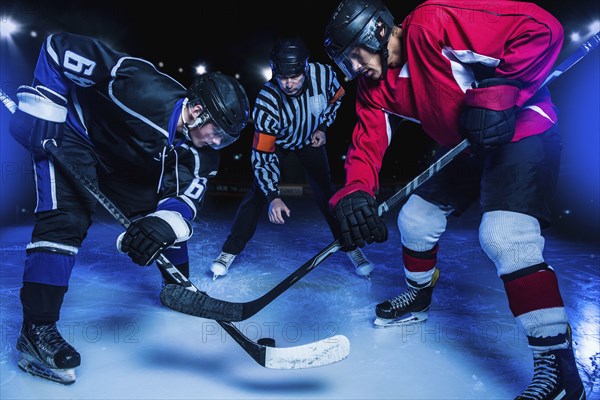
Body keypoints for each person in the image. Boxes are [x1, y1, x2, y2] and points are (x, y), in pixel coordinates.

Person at [323, 1, 586, 399]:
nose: (352, 67)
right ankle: (420, 295)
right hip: (466, 145)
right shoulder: (373, 88)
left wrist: (504, 86)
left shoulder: (433, 23)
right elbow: (366, 144)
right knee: (415, 218)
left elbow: (541, 29)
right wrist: (356, 190)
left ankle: (560, 372)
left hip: (522, 130)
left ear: (376, 32)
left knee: (505, 235)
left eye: (352, 55)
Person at [8, 32, 249, 385]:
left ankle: (178, 285)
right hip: (76, 136)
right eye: (218, 132)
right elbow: (59, 48)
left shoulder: (202, 152)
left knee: (160, 221)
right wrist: (48, 101)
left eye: (226, 139)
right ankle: (37, 329)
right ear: (197, 111)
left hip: (125, 164)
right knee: (66, 220)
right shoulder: (139, 85)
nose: (218, 143)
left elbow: (182, 199)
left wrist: (163, 224)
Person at [210, 36, 375, 280]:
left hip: (310, 139)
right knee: (256, 196)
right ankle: (229, 251)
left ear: (306, 69)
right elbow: (263, 154)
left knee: (328, 195)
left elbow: (336, 99)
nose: (288, 84)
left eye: (294, 77)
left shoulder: (324, 75)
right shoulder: (267, 101)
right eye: (282, 78)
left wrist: (323, 128)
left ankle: (351, 246)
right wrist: (273, 196)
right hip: (280, 144)